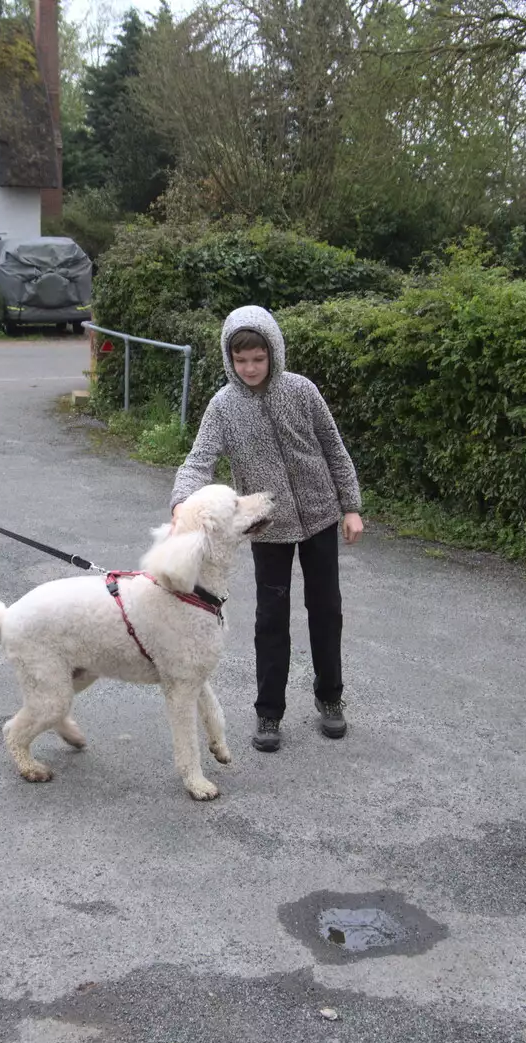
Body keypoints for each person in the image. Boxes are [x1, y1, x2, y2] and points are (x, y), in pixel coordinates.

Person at [171, 305, 363, 753]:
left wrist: (350, 507)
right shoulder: (223, 406)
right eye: (241, 361)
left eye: (258, 358)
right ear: (229, 360)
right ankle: (268, 713)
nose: (251, 368)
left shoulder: (302, 391)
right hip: (266, 529)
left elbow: (334, 448)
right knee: (271, 620)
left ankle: (330, 698)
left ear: (273, 352)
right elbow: (199, 460)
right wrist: (181, 501)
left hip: (319, 518)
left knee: (327, 611)